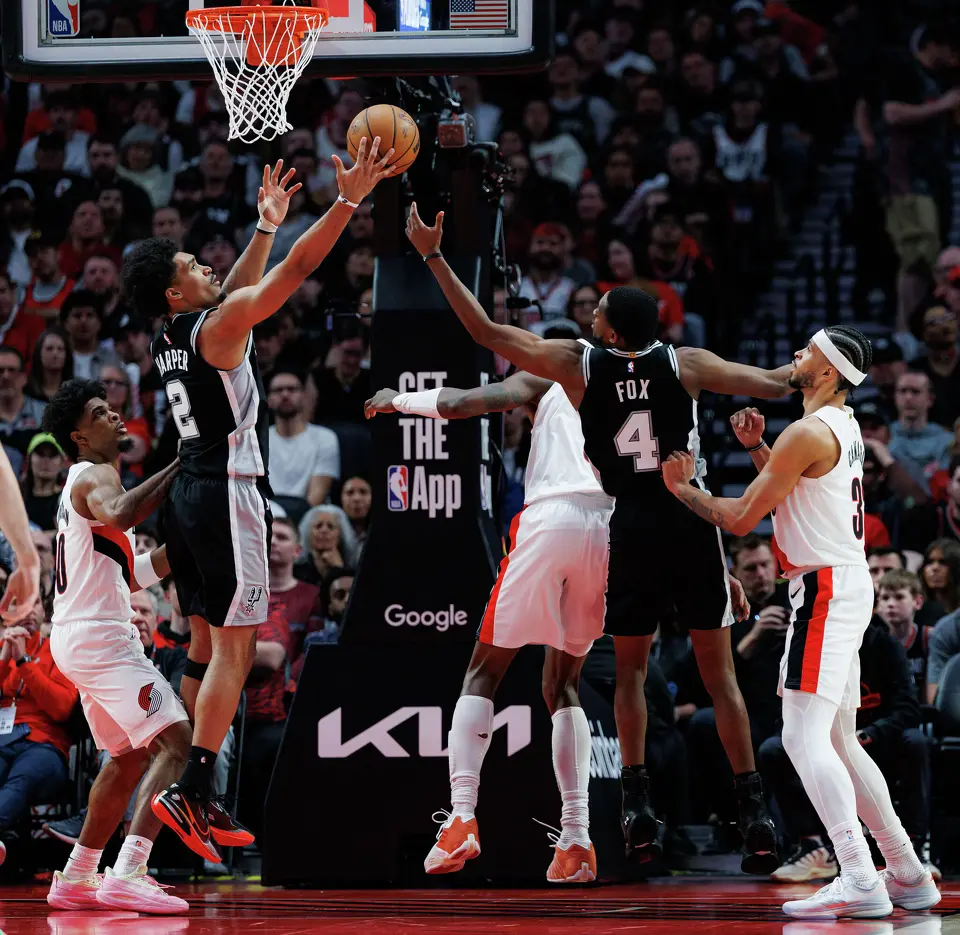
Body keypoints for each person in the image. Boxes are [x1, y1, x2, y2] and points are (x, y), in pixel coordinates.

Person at [405, 204, 785, 872]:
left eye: (597, 309)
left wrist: (434, 255)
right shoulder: (687, 360)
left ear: (607, 328)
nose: (590, 315)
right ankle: (751, 804)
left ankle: (626, 805)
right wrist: (822, 365)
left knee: (622, 673)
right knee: (715, 678)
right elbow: (774, 383)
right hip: (687, 519)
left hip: (624, 523)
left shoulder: (574, 367)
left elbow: (483, 331)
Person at [122, 146, 394, 860]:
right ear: (176, 293)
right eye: (191, 266)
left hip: (189, 494)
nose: (204, 264)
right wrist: (345, 202)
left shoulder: (173, 334)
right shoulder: (214, 327)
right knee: (239, 651)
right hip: (229, 496)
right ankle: (195, 785)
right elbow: (293, 277)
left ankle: (176, 771)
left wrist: (265, 224)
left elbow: (236, 293)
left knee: (208, 645)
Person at [659, 328, 939, 918]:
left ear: (831, 372)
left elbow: (737, 519)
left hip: (824, 587)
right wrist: (764, 454)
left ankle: (859, 872)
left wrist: (684, 490)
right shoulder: (841, 427)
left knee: (801, 737)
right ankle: (907, 871)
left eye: (807, 352)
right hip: (843, 579)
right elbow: (804, 495)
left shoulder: (807, 432)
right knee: (835, 738)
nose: (794, 357)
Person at [366, 367, 617, 883]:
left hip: (552, 518)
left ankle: (461, 816)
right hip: (606, 528)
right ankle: (576, 840)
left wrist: (398, 400)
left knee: (483, 672)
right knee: (564, 685)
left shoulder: (545, 376)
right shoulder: (625, 384)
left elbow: (461, 404)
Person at [41, 378, 190, 914]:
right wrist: (182, 463)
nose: (116, 417)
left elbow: (128, 577)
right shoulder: (96, 476)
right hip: (100, 637)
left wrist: (187, 545)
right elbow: (125, 513)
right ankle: (129, 869)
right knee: (176, 738)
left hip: (80, 633)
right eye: (101, 413)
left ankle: (78, 875)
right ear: (79, 436)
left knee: (127, 756)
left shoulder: (85, 486)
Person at [267, 370, 339, 508]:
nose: (285, 394)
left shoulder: (325, 438)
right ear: (269, 399)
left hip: (308, 517)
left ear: (304, 397)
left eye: (292, 389)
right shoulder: (257, 440)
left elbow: (317, 496)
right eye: (278, 390)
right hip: (267, 516)